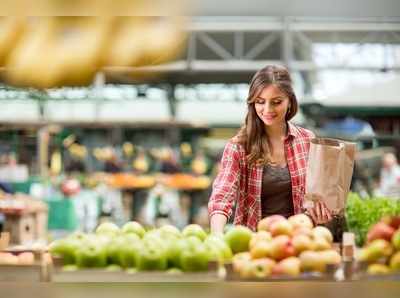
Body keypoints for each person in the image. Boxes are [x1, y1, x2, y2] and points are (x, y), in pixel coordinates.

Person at [208, 65, 331, 234]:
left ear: (289, 101)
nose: (267, 110)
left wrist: (322, 210)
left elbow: (319, 193)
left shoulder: (307, 140)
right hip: (254, 243)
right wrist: (217, 236)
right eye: (260, 101)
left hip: (299, 239)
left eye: (276, 102)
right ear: (252, 102)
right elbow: (223, 194)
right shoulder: (239, 146)